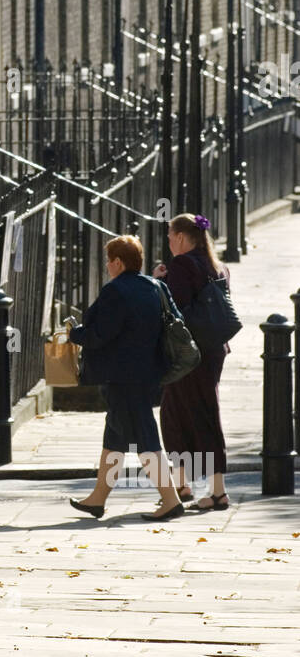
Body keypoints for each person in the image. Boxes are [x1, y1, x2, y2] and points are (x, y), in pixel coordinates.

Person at [67, 234, 184, 523]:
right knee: (115, 436)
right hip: (150, 374)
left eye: (109, 261)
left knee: (145, 437)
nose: (108, 266)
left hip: (123, 377)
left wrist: (74, 333)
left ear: (118, 262)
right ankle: (97, 500)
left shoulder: (116, 291)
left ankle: (171, 500)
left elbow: (99, 335)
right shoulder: (156, 287)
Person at [153, 213, 231, 511]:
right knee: (177, 413)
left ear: (182, 238)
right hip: (212, 351)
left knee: (198, 415)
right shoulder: (217, 265)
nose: (170, 242)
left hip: (191, 355)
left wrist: (161, 281)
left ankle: (218, 492)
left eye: (171, 237)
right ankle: (183, 483)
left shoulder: (183, 264)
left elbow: (177, 309)